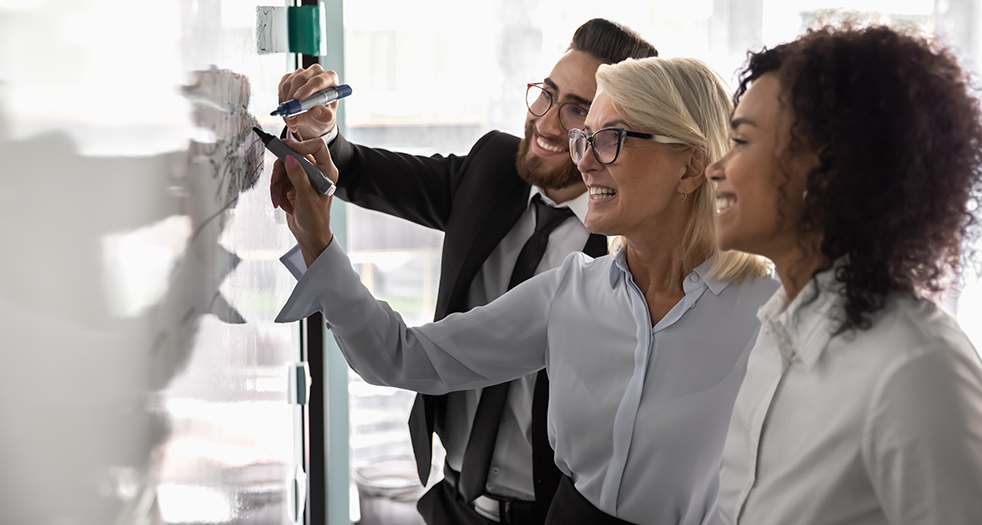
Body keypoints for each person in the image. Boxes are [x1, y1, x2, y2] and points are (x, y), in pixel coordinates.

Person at [272, 56, 777, 524]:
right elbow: (403, 359)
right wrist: (318, 242)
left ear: (690, 166)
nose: (585, 161)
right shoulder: (570, 293)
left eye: (610, 139)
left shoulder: (769, 316)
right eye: (587, 139)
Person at [705, 23, 982, 525]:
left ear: (830, 169)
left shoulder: (918, 367)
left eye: (741, 141)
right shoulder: (774, 337)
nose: (715, 168)